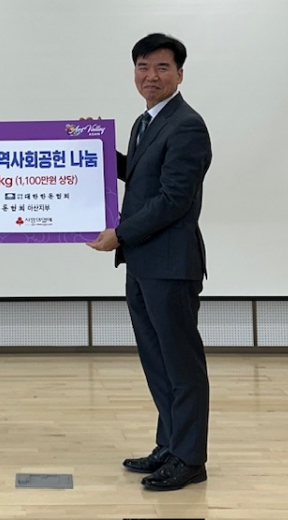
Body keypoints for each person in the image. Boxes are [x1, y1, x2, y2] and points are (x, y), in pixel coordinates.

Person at [87, 33, 212, 491]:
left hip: (170, 265)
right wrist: (95, 149)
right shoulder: (146, 122)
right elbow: (140, 176)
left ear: (180, 73)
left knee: (181, 365)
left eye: (162, 67)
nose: (151, 76)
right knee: (157, 362)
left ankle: (190, 459)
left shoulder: (187, 125)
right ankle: (170, 444)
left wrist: (120, 233)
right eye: (143, 67)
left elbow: (172, 199)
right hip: (143, 263)